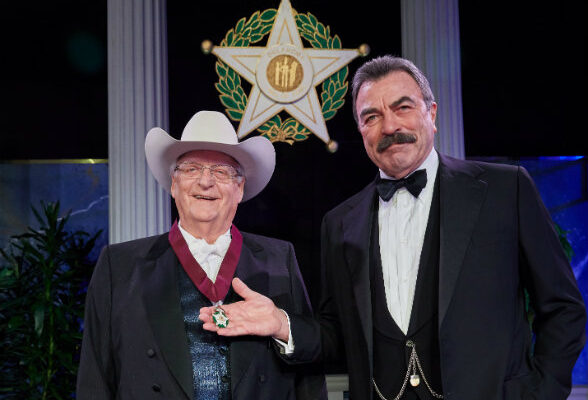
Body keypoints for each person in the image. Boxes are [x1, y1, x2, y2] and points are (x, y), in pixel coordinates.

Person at [199, 56, 587, 399]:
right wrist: (280, 324)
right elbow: (337, 335)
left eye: (403, 107)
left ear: (431, 113)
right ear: (361, 131)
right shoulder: (339, 223)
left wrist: (538, 393)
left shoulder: (506, 189)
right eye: (371, 117)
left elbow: (563, 308)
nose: (389, 126)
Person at [76, 110, 326, 399]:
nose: (205, 182)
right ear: (174, 184)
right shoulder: (118, 266)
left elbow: (310, 373)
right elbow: (94, 382)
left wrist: (282, 324)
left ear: (239, 188)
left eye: (221, 171)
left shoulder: (279, 259)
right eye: (192, 169)